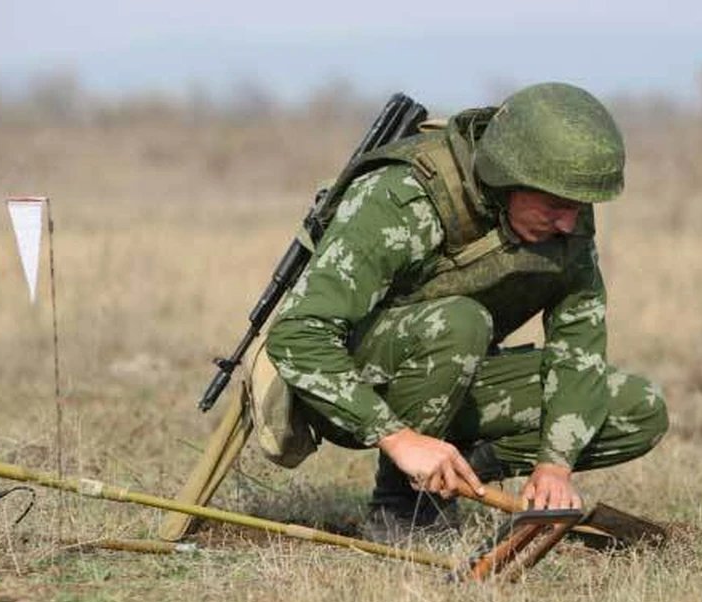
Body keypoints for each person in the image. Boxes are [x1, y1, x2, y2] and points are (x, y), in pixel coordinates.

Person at [264, 82, 669, 542]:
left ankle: (453, 468)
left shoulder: (563, 212)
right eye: (557, 205)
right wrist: (397, 438)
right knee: (462, 321)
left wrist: (554, 465)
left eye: (579, 207)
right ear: (507, 175)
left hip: (455, 373)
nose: (569, 223)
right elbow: (296, 335)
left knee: (637, 408)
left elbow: (577, 346)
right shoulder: (401, 196)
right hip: (351, 385)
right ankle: (403, 504)